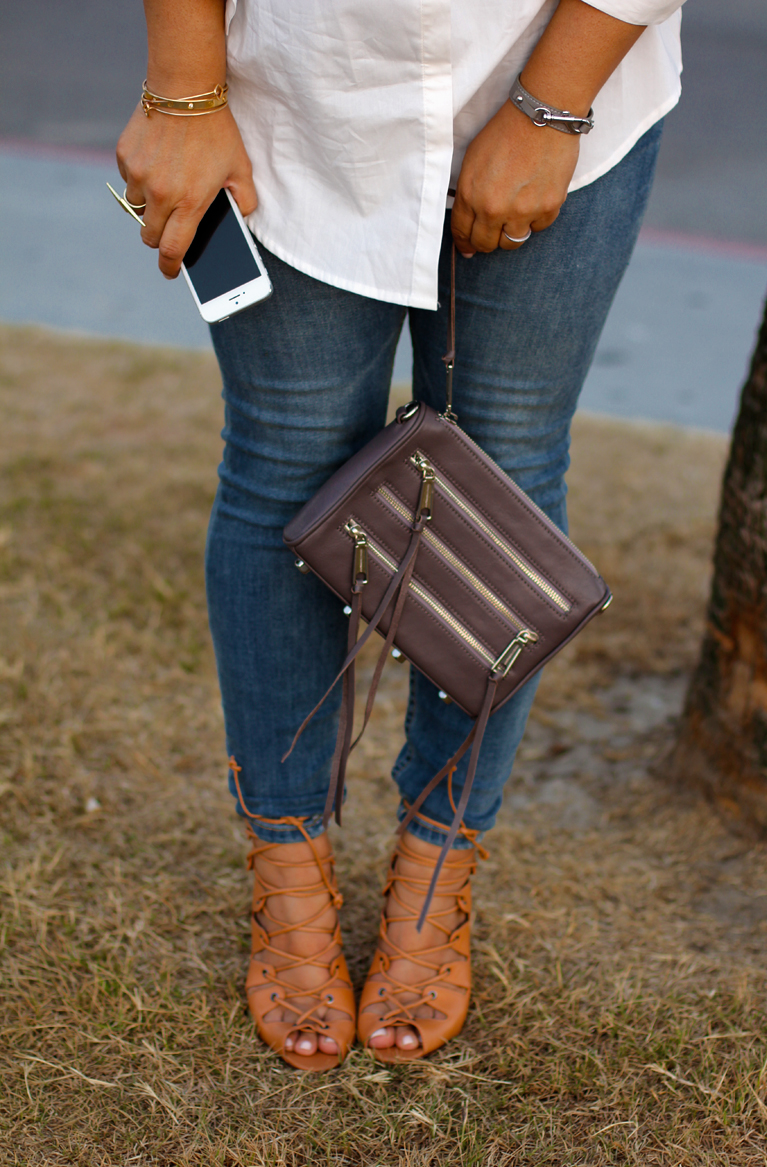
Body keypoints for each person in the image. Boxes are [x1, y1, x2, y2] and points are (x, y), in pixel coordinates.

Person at [117, 0, 683, 1070]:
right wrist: (182, 90)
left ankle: (437, 871)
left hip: (559, 76)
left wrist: (551, 105)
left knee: (505, 482)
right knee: (282, 467)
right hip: (300, 94)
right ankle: (287, 873)